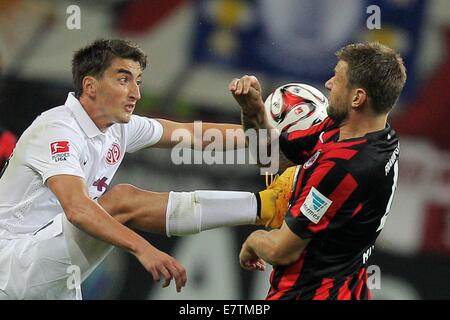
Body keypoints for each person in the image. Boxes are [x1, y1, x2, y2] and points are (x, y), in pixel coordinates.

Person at [0, 38, 294, 300]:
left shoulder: (116, 128)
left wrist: (268, 131)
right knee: (119, 200)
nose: (136, 93)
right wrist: (143, 248)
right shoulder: (58, 129)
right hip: (13, 265)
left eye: (138, 81)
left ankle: (266, 205)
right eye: (124, 79)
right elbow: (77, 209)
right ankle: (265, 206)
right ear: (90, 86)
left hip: (50, 273)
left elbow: (192, 134)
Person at [233, 42, 407, 299]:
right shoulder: (369, 132)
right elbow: (270, 156)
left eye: (337, 79)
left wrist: (253, 241)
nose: (327, 84)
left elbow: (282, 250)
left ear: (357, 98)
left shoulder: (344, 167)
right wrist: (253, 112)